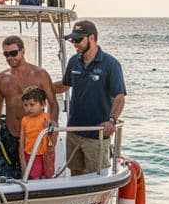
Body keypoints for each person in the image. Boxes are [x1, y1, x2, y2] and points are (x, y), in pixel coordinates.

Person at [52, 20, 125, 175]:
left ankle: (99, 201)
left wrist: (112, 120)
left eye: (78, 40)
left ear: (91, 38)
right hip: (74, 131)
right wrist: (42, 87)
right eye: (72, 40)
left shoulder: (111, 64)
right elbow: (65, 85)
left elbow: (119, 96)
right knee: (76, 174)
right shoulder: (74, 61)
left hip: (96, 133)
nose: (74, 44)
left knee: (99, 177)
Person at [0, 35, 57, 178]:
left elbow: (53, 103)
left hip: (34, 136)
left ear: (23, 51)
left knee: (33, 178)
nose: (10, 57)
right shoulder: (2, 78)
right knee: (2, 179)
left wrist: (52, 130)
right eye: (6, 54)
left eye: (13, 53)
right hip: (8, 136)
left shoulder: (40, 74)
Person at [19, 85, 55, 179]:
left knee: (47, 177)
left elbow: (52, 138)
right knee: (33, 178)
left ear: (43, 104)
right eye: (25, 105)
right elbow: (22, 141)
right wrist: (22, 160)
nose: (28, 108)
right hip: (31, 155)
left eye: (32, 104)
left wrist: (50, 128)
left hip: (45, 155)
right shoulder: (24, 120)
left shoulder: (47, 118)